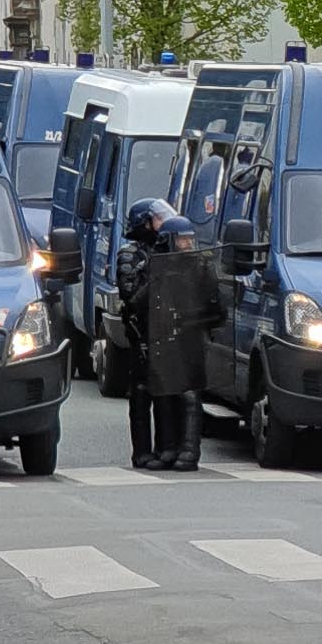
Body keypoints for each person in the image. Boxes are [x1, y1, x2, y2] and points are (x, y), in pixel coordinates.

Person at [138, 215, 226, 471]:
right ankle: (167, 448)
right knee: (164, 392)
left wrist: (199, 322)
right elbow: (140, 301)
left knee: (188, 394)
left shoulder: (200, 267)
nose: (187, 244)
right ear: (169, 241)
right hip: (163, 337)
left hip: (190, 337)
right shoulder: (156, 267)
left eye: (190, 239)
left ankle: (189, 450)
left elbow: (215, 304)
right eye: (182, 240)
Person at [110, 197, 169, 469]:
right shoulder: (129, 254)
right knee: (141, 394)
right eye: (157, 219)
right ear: (145, 223)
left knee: (166, 392)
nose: (162, 224)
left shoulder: (166, 250)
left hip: (167, 332)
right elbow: (131, 296)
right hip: (141, 333)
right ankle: (141, 451)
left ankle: (166, 448)